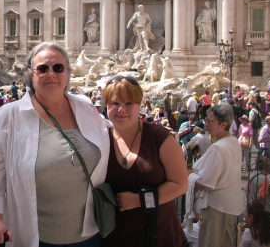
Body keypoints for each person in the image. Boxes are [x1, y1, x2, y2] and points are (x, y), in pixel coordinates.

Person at [0, 42, 109, 247]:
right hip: (37, 237)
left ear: (67, 74)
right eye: (42, 68)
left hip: (90, 234)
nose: (51, 74)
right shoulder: (9, 116)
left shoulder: (85, 106)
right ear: (31, 74)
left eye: (58, 68)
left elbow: (112, 134)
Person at [101, 76, 188, 247]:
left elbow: (180, 184)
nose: (121, 109)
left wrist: (138, 200)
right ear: (106, 106)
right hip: (114, 237)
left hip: (157, 235)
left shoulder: (159, 137)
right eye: (115, 103)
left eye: (128, 103)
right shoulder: (100, 138)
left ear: (140, 105)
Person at [192, 103, 243, 247]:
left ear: (223, 124)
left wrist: (190, 179)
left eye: (210, 121)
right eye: (206, 120)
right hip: (229, 206)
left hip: (216, 208)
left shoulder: (217, 148)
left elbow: (207, 183)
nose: (206, 124)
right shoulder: (233, 142)